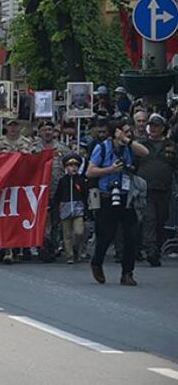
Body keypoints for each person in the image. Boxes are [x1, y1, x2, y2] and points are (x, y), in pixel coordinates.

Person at [86, 117, 149, 285]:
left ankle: (127, 272)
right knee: (106, 235)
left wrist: (127, 140)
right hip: (107, 196)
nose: (130, 134)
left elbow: (145, 152)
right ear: (116, 132)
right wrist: (110, 170)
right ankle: (97, 262)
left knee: (131, 234)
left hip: (126, 197)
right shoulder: (102, 148)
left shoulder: (128, 147)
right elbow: (90, 171)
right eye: (126, 131)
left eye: (130, 131)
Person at [138, 114, 176, 267]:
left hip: (164, 189)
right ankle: (151, 250)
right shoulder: (142, 145)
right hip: (146, 190)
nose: (153, 128)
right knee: (150, 219)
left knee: (161, 219)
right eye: (151, 125)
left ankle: (157, 248)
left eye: (156, 126)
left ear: (162, 128)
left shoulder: (171, 146)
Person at [52, 153, 87, 264]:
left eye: (76, 165)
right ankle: (70, 255)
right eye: (70, 165)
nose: (73, 168)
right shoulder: (63, 181)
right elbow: (57, 196)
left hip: (78, 209)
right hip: (66, 208)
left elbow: (85, 196)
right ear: (66, 167)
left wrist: (87, 211)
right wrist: (56, 209)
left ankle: (76, 248)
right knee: (67, 234)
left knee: (79, 232)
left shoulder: (81, 180)